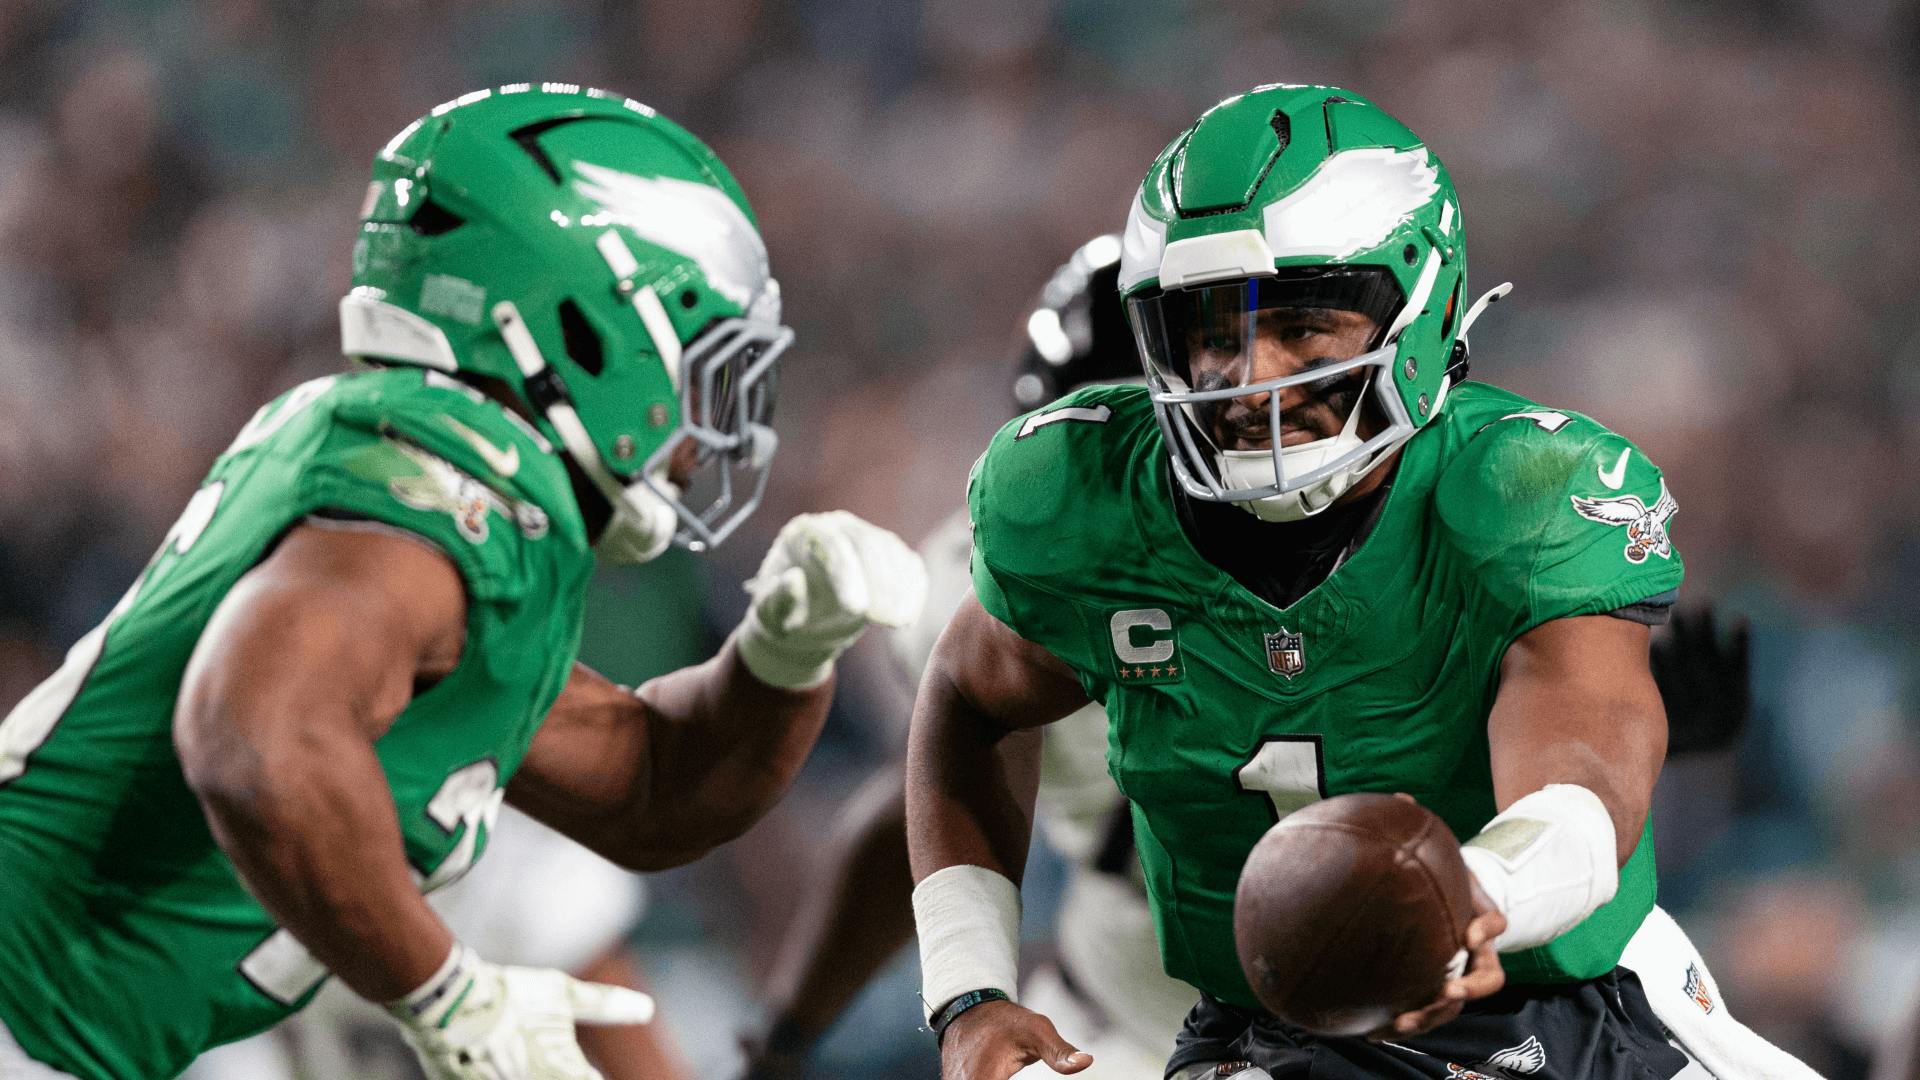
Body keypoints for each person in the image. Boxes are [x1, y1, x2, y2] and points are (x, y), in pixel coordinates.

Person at [0, 84, 925, 1080]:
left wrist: (782, 653)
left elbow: (650, 790)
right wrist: (445, 994)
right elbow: (252, 735)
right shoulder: (441, 491)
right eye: (701, 368)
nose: (702, 443)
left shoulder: (440, 482)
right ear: (590, 329)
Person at [904, 84, 1817, 1080]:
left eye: (1302, 326)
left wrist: (1471, 891)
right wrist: (970, 988)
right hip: (1259, 1036)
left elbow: (1587, 772)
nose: (1247, 379)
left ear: (1417, 308)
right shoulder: (1086, 497)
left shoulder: (1522, 489)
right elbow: (967, 699)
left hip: (1560, 1006)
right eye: (1212, 331)